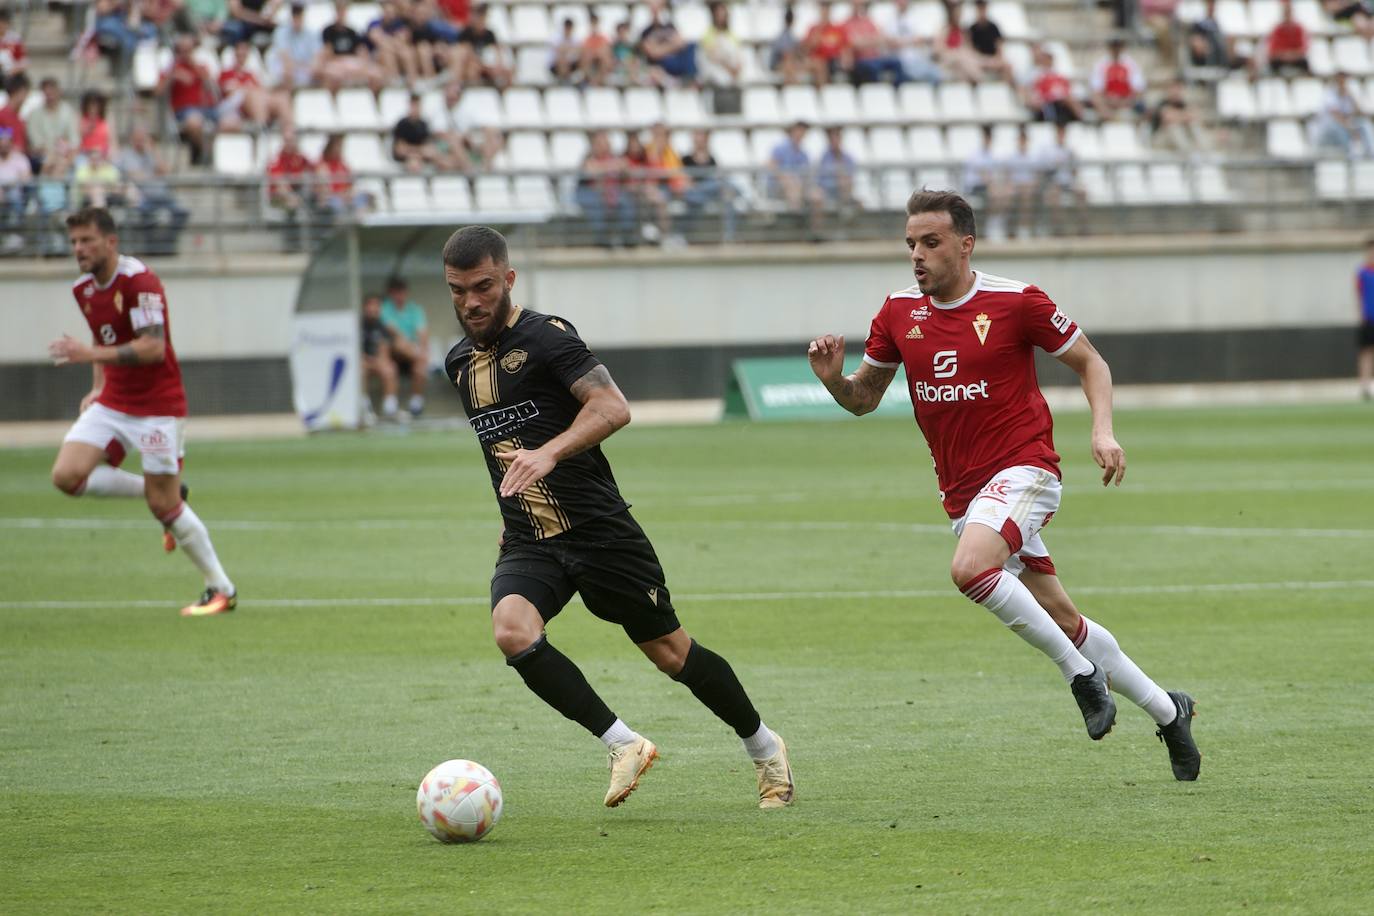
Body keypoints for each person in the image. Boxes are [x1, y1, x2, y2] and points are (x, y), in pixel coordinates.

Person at [805, 190, 1201, 781]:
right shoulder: (896, 312)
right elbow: (864, 399)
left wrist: (1103, 432)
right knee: (1065, 617)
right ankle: (1171, 713)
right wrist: (835, 382)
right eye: (910, 243)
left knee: (969, 570)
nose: (917, 255)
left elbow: (1093, 362)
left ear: (966, 244)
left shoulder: (1016, 301)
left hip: (1026, 469)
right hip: (965, 495)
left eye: (931, 242)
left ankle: (1080, 676)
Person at [440, 225, 795, 809]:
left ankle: (763, 747)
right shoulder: (458, 364)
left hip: (600, 532)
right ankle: (623, 743)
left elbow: (613, 407)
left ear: (508, 279)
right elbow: (501, 445)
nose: (471, 302)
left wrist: (550, 452)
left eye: (482, 287)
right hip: (531, 538)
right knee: (512, 631)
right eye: (458, 291)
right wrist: (511, 508)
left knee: (671, 654)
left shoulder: (548, 338)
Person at [47, 207, 237, 617]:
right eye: (74, 242)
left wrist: (87, 355)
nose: (79, 249)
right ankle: (164, 490)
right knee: (66, 475)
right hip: (114, 400)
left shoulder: (140, 281)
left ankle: (221, 589)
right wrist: (97, 387)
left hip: (157, 407)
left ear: (110, 242)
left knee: (163, 508)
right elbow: (104, 338)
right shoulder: (83, 289)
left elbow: (153, 347)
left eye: (87, 241)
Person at [157, 34, 218, 165]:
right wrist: (172, 77)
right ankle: (207, 153)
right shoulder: (170, 69)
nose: (185, 54)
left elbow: (212, 86)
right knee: (194, 122)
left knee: (231, 122)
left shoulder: (200, 67)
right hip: (183, 110)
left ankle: (216, 155)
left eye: (188, 50)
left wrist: (194, 66)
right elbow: (158, 92)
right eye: (181, 50)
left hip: (207, 108)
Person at [575, 129, 635, 248]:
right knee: (596, 203)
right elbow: (591, 170)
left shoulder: (615, 157)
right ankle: (602, 236)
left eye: (606, 142)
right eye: (601, 142)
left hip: (614, 193)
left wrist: (606, 167)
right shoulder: (588, 158)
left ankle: (627, 235)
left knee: (626, 202)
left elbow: (626, 166)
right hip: (593, 194)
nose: (605, 145)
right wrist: (611, 167)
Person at [380, 276, 429, 417]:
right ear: (390, 294)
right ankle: (390, 405)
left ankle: (416, 403)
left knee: (420, 367)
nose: (399, 296)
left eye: (401, 292)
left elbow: (422, 333)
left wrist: (423, 352)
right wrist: (417, 352)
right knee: (398, 346)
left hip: (410, 356)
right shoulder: (384, 308)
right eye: (396, 292)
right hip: (391, 353)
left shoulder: (414, 309)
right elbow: (393, 331)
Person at [360, 292, 401, 421]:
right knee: (361, 368)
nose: (374, 309)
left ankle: (390, 408)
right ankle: (363, 408)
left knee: (390, 368)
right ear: (364, 307)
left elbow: (384, 349)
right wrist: (367, 359)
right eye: (371, 305)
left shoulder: (381, 326)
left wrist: (380, 361)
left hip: (376, 362)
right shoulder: (357, 324)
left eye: (377, 306)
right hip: (361, 362)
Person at [26, 78, 80, 174]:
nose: (50, 97)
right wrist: (52, 155)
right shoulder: (35, 114)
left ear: (59, 92)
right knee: (49, 162)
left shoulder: (69, 112)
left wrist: (65, 155)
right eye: (47, 93)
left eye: (52, 92)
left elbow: (74, 140)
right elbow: (36, 143)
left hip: (65, 156)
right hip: (43, 157)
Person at [638, 0, 698, 87]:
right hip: (661, 65)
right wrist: (670, 47)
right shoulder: (646, 32)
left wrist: (660, 48)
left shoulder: (670, 26)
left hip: (675, 61)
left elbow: (681, 43)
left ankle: (687, 79)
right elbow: (652, 52)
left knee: (691, 46)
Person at [845, 0, 905, 85]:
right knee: (873, 68)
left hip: (875, 57)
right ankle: (876, 94)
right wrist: (872, 40)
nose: (859, 8)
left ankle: (897, 91)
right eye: (856, 5)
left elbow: (882, 38)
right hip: (860, 60)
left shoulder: (868, 22)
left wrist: (866, 41)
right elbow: (854, 44)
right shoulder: (847, 23)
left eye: (861, 5)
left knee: (897, 63)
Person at [1022, 44, 1085, 124]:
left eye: (1049, 57)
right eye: (1046, 57)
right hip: (1046, 104)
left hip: (1060, 104)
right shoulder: (1036, 74)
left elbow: (1067, 91)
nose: (1047, 60)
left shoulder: (1059, 74)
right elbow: (1031, 92)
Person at [1315, 72, 1374, 157]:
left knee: (1364, 124)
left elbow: (1358, 113)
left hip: (1343, 125)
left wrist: (1351, 96)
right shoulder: (1329, 94)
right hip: (1327, 129)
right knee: (1341, 129)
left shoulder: (1348, 95)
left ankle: (1370, 153)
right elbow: (1336, 116)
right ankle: (1350, 156)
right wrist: (1351, 129)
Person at [1091, 37, 1146, 120]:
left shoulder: (1131, 64)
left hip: (1127, 102)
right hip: (1107, 102)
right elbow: (1096, 91)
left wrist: (1125, 102)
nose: (1116, 49)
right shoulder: (1101, 64)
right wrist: (1106, 104)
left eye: (1118, 46)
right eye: (1114, 47)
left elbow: (1138, 89)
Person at [1151, 79, 1210, 154]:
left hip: (1177, 139)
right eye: (1173, 89)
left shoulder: (1182, 104)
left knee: (1194, 125)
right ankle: (1187, 154)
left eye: (1178, 89)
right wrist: (1184, 116)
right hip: (1159, 140)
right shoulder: (1162, 103)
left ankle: (1205, 152)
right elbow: (1168, 117)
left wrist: (1179, 116)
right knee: (1174, 127)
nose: (1176, 92)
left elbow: (1195, 116)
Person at [967, 0, 1015, 82]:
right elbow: (971, 50)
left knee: (1007, 67)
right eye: (979, 8)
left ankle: (1008, 89)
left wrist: (995, 60)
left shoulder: (994, 27)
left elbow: (999, 47)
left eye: (983, 8)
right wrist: (982, 60)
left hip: (993, 59)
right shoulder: (972, 29)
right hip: (979, 60)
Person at [803, 1, 849, 86]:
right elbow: (806, 49)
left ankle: (823, 92)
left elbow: (845, 48)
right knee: (818, 64)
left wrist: (845, 58)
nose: (825, 12)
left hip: (833, 61)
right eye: (823, 9)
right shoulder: (813, 29)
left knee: (820, 64)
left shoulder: (837, 29)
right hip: (816, 61)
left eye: (826, 9)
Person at [699, 1, 744, 87]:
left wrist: (736, 68)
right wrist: (729, 69)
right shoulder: (708, 34)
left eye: (723, 14)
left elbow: (738, 54)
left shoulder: (732, 34)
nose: (721, 17)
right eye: (719, 14)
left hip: (731, 69)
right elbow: (713, 57)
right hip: (717, 69)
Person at [1266, 0, 1309, 76]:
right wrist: (1285, 55)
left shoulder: (1298, 29)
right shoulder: (1277, 29)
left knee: (1304, 63)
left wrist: (1292, 55)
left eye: (1289, 13)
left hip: (1295, 58)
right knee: (1273, 64)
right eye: (1286, 14)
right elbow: (1272, 49)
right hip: (1281, 59)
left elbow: (1303, 48)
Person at [1358, 239, 1374, 400]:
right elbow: (1358, 295)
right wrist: (1361, 315)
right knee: (1366, 352)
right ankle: (1365, 386)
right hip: (1368, 318)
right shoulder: (1362, 272)